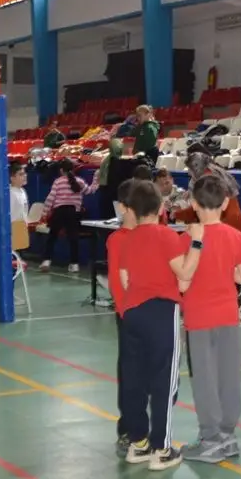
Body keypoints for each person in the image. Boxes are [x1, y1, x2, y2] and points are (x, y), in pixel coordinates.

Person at [117, 180, 204, 471]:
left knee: (134, 379)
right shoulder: (166, 236)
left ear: (133, 210)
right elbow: (184, 273)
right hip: (160, 313)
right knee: (164, 380)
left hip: (131, 313)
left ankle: (138, 442)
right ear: (161, 207)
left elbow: (125, 280)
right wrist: (197, 242)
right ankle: (162, 448)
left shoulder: (128, 239)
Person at [180, 175, 241, 463]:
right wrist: (226, 271)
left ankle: (210, 439)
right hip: (228, 316)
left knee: (205, 378)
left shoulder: (188, 239)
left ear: (193, 204)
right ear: (225, 203)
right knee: (228, 376)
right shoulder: (234, 236)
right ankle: (228, 435)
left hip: (199, 318)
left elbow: (183, 282)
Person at [108, 179, 137, 458]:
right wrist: (126, 311)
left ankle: (149, 429)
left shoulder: (151, 236)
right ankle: (128, 429)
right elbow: (118, 284)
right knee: (130, 373)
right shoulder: (118, 239)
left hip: (152, 315)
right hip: (129, 314)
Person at [40, 159, 96, 273]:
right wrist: (96, 180)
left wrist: (44, 212)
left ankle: (46, 261)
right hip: (73, 213)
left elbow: (51, 198)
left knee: (52, 237)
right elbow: (90, 191)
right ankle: (74, 264)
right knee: (73, 239)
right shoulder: (79, 181)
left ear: (61, 170)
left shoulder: (58, 182)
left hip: (59, 212)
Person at [174, 152, 241, 237]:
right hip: (233, 225)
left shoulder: (207, 182)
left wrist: (176, 214)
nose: (189, 173)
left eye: (190, 169)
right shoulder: (213, 171)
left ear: (196, 168)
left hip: (226, 225)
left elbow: (200, 207)